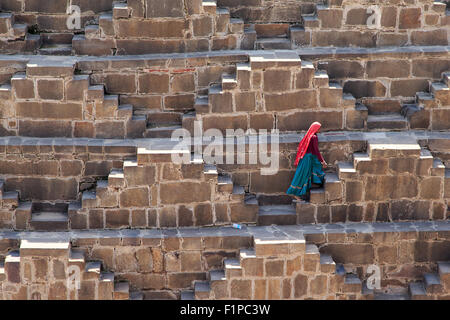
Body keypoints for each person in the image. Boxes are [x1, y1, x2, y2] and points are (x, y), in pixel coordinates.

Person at [286, 121, 327, 201]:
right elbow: (316, 151)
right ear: (316, 129)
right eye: (319, 128)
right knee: (302, 175)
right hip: (307, 159)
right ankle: (295, 193)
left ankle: (314, 184)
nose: (320, 130)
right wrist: (322, 161)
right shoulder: (314, 137)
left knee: (304, 174)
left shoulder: (310, 135)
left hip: (306, 157)